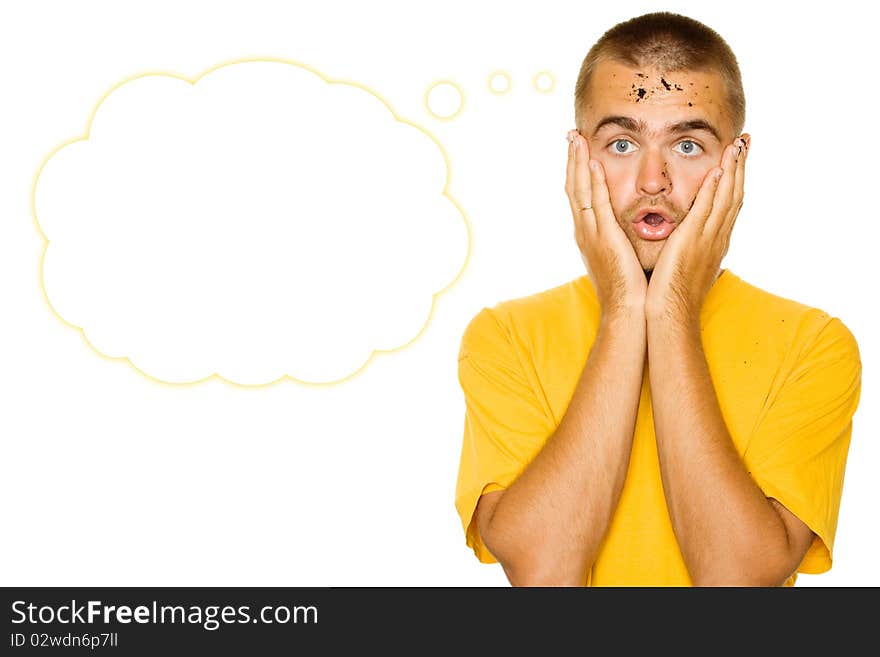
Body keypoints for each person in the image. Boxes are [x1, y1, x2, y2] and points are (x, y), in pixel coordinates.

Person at [453, 11, 862, 586]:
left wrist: (669, 312)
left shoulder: (814, 344)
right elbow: (544, 577)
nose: (652, 180)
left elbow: (737, 586)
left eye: (688, 146)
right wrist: (623, 309)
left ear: (736, 162)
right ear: (578, 159)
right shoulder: (505, 336)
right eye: (622, 142)